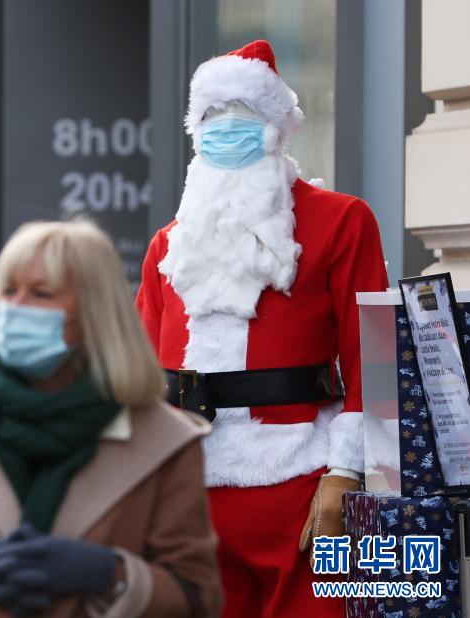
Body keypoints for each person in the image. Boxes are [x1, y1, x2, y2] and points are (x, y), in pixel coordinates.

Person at [135, 40, 389, 617]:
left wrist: (347, 471)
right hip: (187, 499)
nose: (227, 128)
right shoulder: (167, 246)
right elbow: (137, 374)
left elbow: (372, 356)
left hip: (301, 484)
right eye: (213, 116)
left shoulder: (342, 220)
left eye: (244, 114)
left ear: (277, 126)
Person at [0, 219, 223, 617]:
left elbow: (199, 598)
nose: (16, 307)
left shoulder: (164, 443)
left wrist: (109, 574)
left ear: (94, 314)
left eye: (41, 293)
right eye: (8, 290)